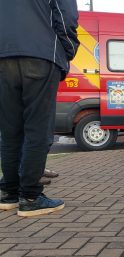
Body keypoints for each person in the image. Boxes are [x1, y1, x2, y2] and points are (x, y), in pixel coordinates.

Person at [0, 0, 80, 217]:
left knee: (9, 130)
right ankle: (31, 197)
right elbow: (66, 19)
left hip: (3, 57)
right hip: (41, 55)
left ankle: (9, 192)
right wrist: (68, 51)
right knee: (38, 129)